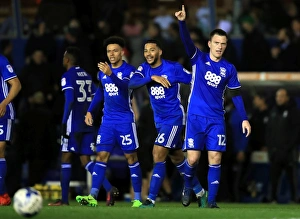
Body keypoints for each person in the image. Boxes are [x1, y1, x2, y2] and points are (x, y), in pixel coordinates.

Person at [175, 5, 251, 208]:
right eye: (216, 43)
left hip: (217, 119)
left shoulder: (229, 68)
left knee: (215, 158)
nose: (219, 46)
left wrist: (244, 117)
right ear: (209, 43)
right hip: (195, 116)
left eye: (223, 44)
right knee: (192, 159)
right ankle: (187, 186)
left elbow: (235, 94)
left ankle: (211, 201)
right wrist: (182, 23)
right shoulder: (197, 58)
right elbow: (186, 42)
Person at [129, 39, 206, 208]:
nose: (148, 53)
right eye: (145, 50)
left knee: (157, 154)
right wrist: (152, 77)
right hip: (160, 121)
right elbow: (131, 83)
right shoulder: (144, 68)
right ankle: (200, 193)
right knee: (178, 158)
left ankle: (150, 200)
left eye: (152, 50)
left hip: (174, 118)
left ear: (160, 52)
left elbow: (193, 80)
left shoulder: (173, 68)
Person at [75, 36, 143, 208]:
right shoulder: (103, 72)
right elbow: (100, 93)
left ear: (122, 52)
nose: (111, 54)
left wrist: (111, 74)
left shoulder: (130, 71)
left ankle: (137, 199)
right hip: (107, 122)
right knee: (101, 156)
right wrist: (90, 111)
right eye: (108, 51)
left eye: (115, 51)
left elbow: (124, 88)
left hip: (125, 120)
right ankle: (93, 196)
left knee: (131, 157)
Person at [48, 46, 118, 206]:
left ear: (67, 59)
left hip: (73, 124)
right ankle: (108, 188)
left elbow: (70, 99)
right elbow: (96, 97)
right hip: (87, 123)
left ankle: (64, 200)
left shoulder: (67, 76)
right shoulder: (87, 75)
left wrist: (64, 122)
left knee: (65, 158)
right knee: (85, 160)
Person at [265, 88, 300, 203]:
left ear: (287, 98)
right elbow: (269, 131)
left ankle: (295, 199)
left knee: (292, 177)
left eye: (281, 96)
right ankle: (273, 198)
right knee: (273, 177)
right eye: (277, 96)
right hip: (275, 152)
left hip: (288, 152)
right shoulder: (273, 111)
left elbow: (296, 132)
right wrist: (270, 148)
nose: (279, 98)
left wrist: (288, 147)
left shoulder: (293, 111)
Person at [0, 54, 22, 206]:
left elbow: (16, 84)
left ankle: (2, 196)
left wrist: (4, 103)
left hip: (2, 112)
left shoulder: (1, 60)